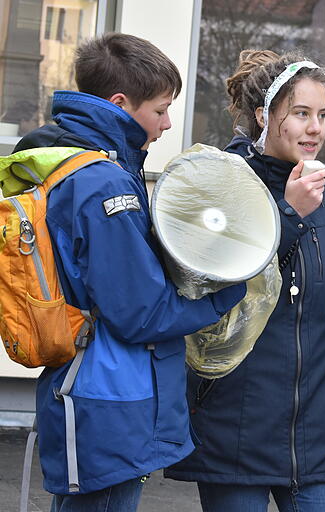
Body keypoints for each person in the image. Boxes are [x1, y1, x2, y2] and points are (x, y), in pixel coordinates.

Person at [165, 50, 325, 512]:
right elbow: (216, 289)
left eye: (323, 116)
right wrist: (288, 215)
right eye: (301, 114)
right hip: (237, 418)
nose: (316, 128)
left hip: (317, 424)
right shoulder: (222, 185)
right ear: (265, 116)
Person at [15, 33, 246, 511]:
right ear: (120, 103)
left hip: (93, 385)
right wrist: (226, 293)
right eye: (160, 109)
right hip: (110, 394)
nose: (167, 122)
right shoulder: (102, 183)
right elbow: (142, 313)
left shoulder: (73, 160)